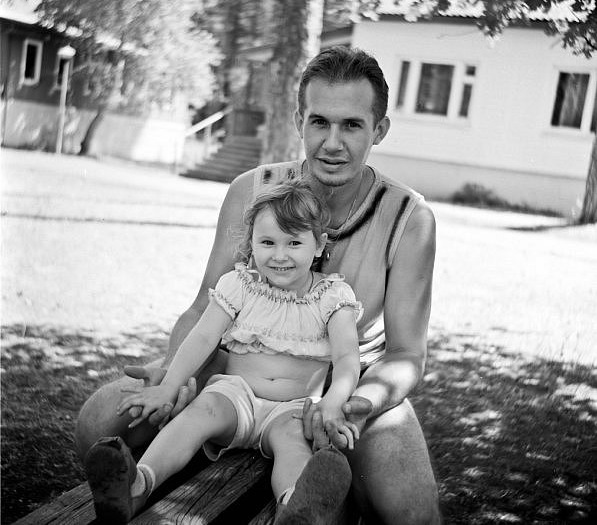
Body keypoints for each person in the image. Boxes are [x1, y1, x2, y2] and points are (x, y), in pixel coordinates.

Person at [76, 45, 440, 524]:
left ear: (380, 129)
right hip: (241, 363)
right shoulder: (251, 190)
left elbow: (406, 354)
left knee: (411, 512)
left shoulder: (410, 219)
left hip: (350, 378)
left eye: (352, 125)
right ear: (299, 120)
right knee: (99, 422)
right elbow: (205, 307)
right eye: (319, 122)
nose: (332, 143)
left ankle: (326, 497)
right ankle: (141, 484)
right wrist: (176, 374)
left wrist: (355, 405)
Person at [84, 180, 363, 524]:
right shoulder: (241, 285)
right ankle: (137, 484)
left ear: (318, 244)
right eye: (267, 242)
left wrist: (333, 401)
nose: (279, 255)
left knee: (294, 445)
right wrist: (169, 386)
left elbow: (347, 357)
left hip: (292, 407)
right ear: (251, 243)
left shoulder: (332, 297)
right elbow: (203, 337)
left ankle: (296, 508)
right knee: (197, 413)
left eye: (294, 242)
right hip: (235, 395)